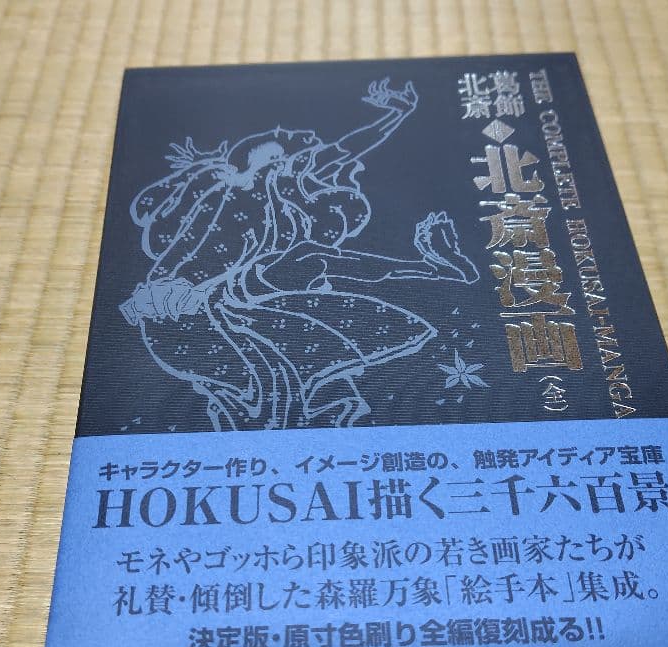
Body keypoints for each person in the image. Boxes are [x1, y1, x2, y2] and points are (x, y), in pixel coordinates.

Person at [119, 79, 479, 430]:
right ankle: (432, 269)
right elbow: (196, 251)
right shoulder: (242, 198)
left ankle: (431, 269)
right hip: (197, 314)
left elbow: (346, 150)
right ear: (269, 163)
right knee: (310, 263)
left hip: (240, 297)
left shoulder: (285, 196)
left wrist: (395, 114)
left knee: (308, 279)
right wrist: (170, 291)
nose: (305, 157)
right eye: (291, 152)